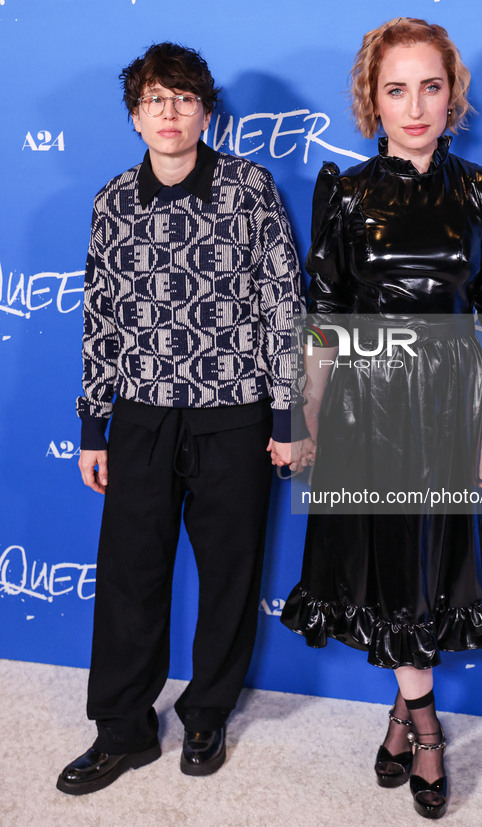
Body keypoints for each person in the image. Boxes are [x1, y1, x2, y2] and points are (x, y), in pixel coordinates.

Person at [281, 17, 482, 820]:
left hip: (452, 410)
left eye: (430, 86)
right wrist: (304, 409)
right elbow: (324, 312)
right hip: (364, 407)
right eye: (396, 89)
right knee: (385, 562)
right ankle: (425, 730)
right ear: (371, 99)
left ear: (452, 94)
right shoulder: (346, 196)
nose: (414, 106)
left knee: (429, 564)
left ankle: (400, 719)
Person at [57, 42, 305, 795]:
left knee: (230, 571)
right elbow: (100, 318)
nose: (170, 112)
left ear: (206, 110)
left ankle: (206, 711)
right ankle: (122, 728)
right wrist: (94, 426)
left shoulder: (250, 188)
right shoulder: (111, 202)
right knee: (131, 575)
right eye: (154, 100)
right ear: (135, 118)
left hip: (234, 413)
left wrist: (288, 414)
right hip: (139, 415)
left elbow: (283, 305)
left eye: (184, 97)